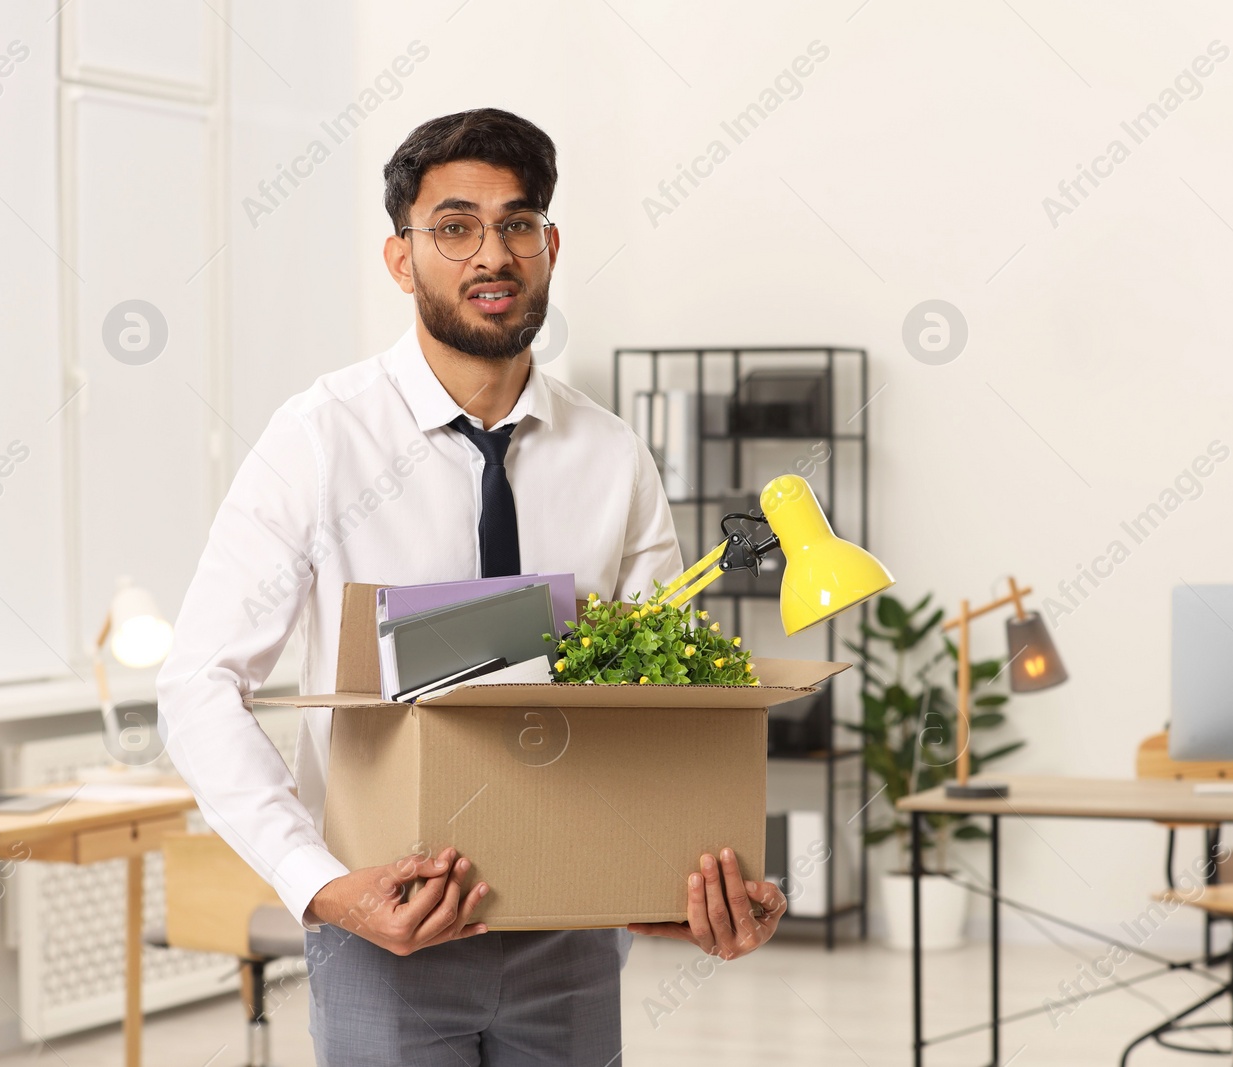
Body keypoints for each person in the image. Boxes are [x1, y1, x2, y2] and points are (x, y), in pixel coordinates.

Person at [156, 108, 786, 1066]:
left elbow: (671, 706)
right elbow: (197, 683)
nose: (491, 253)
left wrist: (693, 879)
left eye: (517, 223)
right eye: (454, 227)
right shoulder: (320, 439)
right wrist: (320, 884)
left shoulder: (612, 456)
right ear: (401, 259)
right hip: (386, 929)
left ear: (550, 246)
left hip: (574, 933)